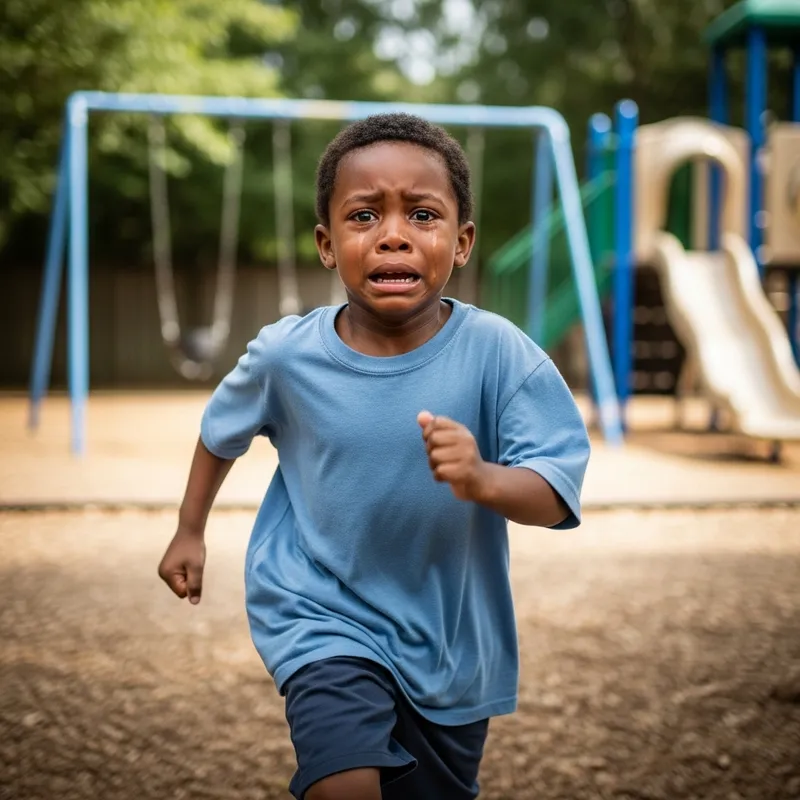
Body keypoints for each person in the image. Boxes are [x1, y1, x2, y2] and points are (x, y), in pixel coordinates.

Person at [158, 112, 591, 800]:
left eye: (423, 214)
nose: (393, 234)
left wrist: (482, 478)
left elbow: (555, 491)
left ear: (463, 241)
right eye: (364, 217)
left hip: (450, 640)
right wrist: (189, 529)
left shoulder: (500, 354)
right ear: (328, 245)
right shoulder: (286, 355)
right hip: (319, 615)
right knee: (344, 782)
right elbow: (219, 432)